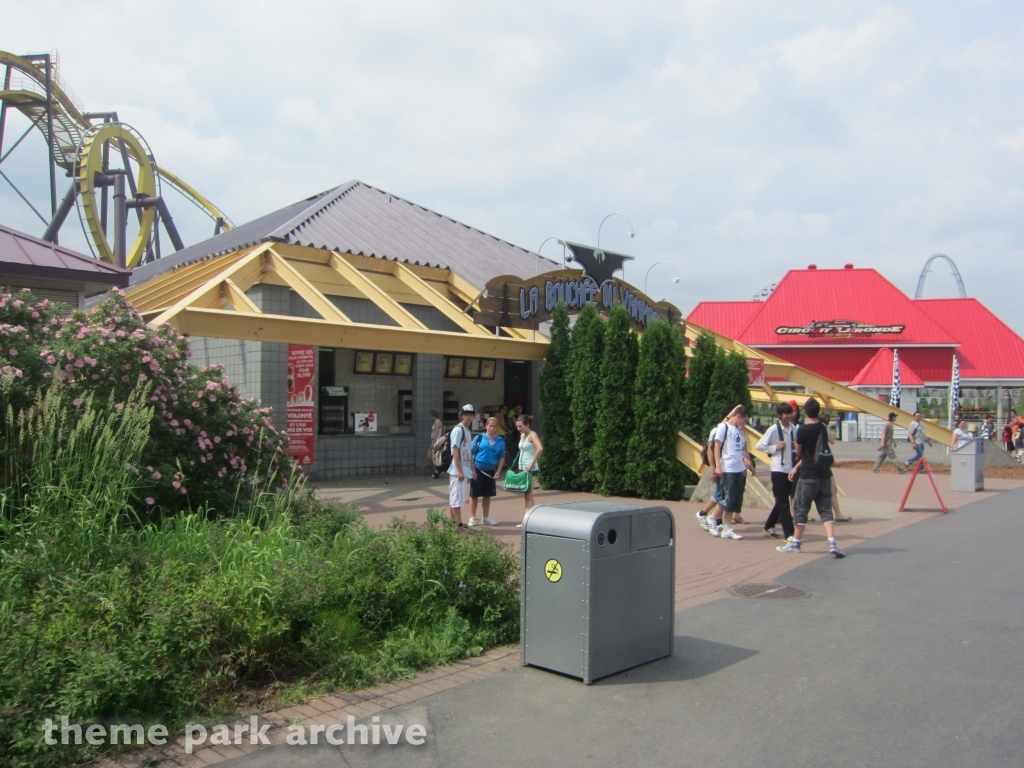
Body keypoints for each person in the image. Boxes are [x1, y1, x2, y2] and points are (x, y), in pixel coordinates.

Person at [776, 397, 845, 558]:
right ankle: (832, 542)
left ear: (805, 411)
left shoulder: (803, 430)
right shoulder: (822, 428)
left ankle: (796, 542)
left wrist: (797, 457)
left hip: (808, 474)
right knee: (826, 510)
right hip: (824, 474)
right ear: (818, 412)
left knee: (801, 508)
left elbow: (800, 452)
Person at [707, 405, 753, 541]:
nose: (744, 423)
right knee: (728, 498)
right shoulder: (723, 427)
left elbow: (738, 449)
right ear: (738, 416)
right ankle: (713, 518)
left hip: (739, 468)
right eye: (744, 420)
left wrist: (745, 459)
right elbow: (716, 447)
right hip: (728, 468)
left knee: (734, 500)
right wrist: (717, 466)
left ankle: (726, 528)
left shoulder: (738, 430)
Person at [756, 402, 797, 540]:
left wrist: (796, 446)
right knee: (784, 502)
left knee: (782, 500)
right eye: (786, 413)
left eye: (790, 413)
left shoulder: (793, 429)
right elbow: (759, 446)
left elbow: (798, 445)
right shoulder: (773, 429)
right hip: (778, 468)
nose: (789, 416)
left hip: (790, 468)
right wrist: (775, 447)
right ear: (779, 415)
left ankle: (769, 525)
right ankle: (789, 534)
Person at [697, 406, 733, 530]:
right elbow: (710, 451)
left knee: (722, 493)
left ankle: (717, 521)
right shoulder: (717, 430)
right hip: (719, 468)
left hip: (726, 467)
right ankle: (702, 513)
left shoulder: (731, 430)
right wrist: (713, 469)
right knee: (720, 494)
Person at [468, 417, 506, 527]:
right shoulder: (479, 438)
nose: (492, 428)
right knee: (474, 494)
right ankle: (472, 517)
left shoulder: (500, 441)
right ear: (486, 426)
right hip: (478, 469)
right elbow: (470, 453)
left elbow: (502, 456)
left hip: (490, 470)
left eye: (494, 426)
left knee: (487, 495)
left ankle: (485, 517)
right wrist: (472, 469)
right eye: (490, 426)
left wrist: (499, 470)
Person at [447, 404, 476, 528]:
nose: (468, 417)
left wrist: (472, 469)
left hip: (464, 468)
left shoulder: (467, 431)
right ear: (462, 415)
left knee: (456, 497)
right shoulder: (458, 430)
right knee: (456, 498)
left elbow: (469, 452)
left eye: (470, 414)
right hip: (457, 470)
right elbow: (455, 450)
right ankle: (458, 524)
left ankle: (452, 523)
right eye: (466, 414)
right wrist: (459, 471)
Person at [819, 413, 852, 522]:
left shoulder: (823, 431)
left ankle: (838, 514)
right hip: (817, 465)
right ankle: (802, 514)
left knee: (833, 489)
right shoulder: (814, 431)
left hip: (826, 464)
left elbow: (832, 441)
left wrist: (825, 429)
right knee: (811, 492)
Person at [514, 414, 543, 525]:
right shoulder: (522, 435)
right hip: (522, 468)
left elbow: (540, 449)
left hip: (530, 469)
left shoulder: (532, 435)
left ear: (527, 425)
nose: (518, 428)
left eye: (520, 426)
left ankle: (526, 522)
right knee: (528, 494)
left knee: (528, 495)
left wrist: (532, 463)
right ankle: (533, 519)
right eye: (517, 426)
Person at [429, 409, 444, 479]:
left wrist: (433, 443)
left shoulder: (437, 422)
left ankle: (437, 471)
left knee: (432, 457)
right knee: (431, 457)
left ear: (432, 415)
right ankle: (437, 470)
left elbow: (436, 433)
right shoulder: (437, 421)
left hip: (436, 441)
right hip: (435, 441)